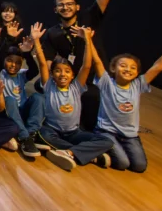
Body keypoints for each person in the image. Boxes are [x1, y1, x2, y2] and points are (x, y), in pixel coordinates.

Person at [41, 0, 132, 130]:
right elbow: (48, 62)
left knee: (94, 100)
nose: (65, 7)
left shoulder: (89, 18)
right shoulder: (52, 33)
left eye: (69, 4)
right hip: (73, 80)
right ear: (55, 9)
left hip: (96, 78)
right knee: (40, 87)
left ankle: (93, 129)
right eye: (61, 5)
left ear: (77, 7)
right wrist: (52, 83)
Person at [92, 28, 162, 172]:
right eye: (123, 66)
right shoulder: (106, 83)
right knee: (122, 163)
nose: (128, 69)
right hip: (106, 131)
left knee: (139, 166)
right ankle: (98, 150)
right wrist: (88, 40)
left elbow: (158, 67)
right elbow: (97, 62)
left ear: (136, 73)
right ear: (113, 68)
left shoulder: (138, 84)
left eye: (133, 68)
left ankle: (113, 148)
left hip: (129, 135)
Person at [32, 23, 113, 171]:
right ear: (52, 74)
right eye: (58, 71)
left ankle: (69, 152)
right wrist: (36, 40)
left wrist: (87, 40)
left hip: (74, 133)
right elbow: (43, 63)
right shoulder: (49, 86)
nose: (62, 74)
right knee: (43, 135)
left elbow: (86, 66)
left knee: (107, 141)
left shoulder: (76, 87)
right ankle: (88, 155)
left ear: (72, 75)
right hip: (52, 131)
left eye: (67, 71)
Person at [0, 41, 44, 158]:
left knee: (38, 97)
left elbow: (34, 70)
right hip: (7, 113)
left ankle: (32, 133)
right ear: (4, 60)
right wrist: (9, 38)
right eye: (9, 61)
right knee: (10, 99)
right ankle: (24, 137)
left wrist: (27, 53)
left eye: (18, 62)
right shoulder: (0, 73)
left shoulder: (21, 74)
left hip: (21, 112)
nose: (13, 65)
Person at [0, 2, 23, 74]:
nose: (7, 14)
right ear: (0, 13)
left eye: (11, 12)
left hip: (12, 65)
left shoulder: (18, 29)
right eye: (5, 11)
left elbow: (21, 50)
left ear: (15, 14)